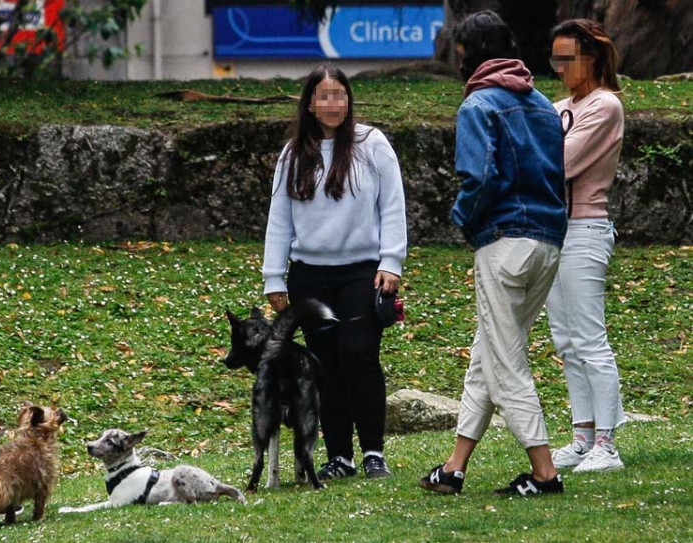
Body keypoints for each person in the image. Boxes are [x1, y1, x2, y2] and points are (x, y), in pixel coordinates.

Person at [418, 11, 568, 496]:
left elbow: (480, 176)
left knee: (505, 362)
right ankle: (454, 467)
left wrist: (463, 218)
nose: (458, 61)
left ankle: (544, 473)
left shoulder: (478, 105)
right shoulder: (544, 104)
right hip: (548, 240)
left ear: (473, 54)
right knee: (488, 353)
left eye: (461, 53)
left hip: (504, 241)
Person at [262, 64, 407, 480]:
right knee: (325, 364)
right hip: (310, 274)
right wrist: (274, 276)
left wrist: (391, 262)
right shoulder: (293, 154)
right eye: (323, 96)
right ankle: (339, 454)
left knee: (359, 354)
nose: (332, 104)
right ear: (309, 103)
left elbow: (392, 206)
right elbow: (280, 218)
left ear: (349, 101)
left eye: (339, 95)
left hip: (362, 271)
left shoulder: (372, 144)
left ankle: (373, 452)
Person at [546, 19, 626, 473]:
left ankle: (606, 444)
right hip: (555, 231)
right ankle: (582, 437)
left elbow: (559, 162)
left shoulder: (605, 106)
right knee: (566, 340)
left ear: (591, 59)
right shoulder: (558, 106)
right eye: (554, 58)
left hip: (585, 229)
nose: (559, 67)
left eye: (567, 58)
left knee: (590, 338)